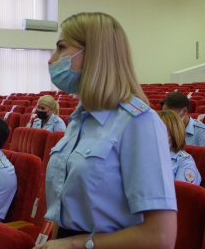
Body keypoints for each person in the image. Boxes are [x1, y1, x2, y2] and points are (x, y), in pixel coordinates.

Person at [35, 13, 177, 249]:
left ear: (95, 54)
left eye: (61, 48)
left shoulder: (138, 122)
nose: (51, 60)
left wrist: (73, 245)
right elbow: (66, 212)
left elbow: (160, 237)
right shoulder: (79, 120)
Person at [158, 110, 201, 185]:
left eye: (161, 130)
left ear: (174, 133)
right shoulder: (144, 155)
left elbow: (182, 194)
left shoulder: (185, 162)